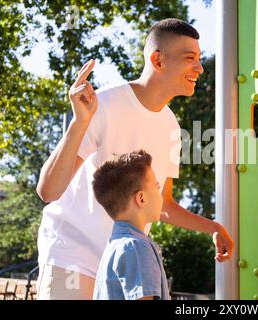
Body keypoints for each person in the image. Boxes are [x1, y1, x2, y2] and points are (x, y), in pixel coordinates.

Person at [35, 18, 234, 300]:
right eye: (190, 58)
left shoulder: (171, 128)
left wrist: (212, 227)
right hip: (71, 254)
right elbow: (48, 191)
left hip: (119, 263)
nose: (200, 68)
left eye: (199, 59)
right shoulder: (102, 105)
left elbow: (163, 205)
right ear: (158, 60)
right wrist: (79, 123)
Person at [92, 150, 169, 300]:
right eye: (157, 187)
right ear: (141, 198)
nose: (161, 196)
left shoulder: (116, 245)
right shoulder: (136, 247)